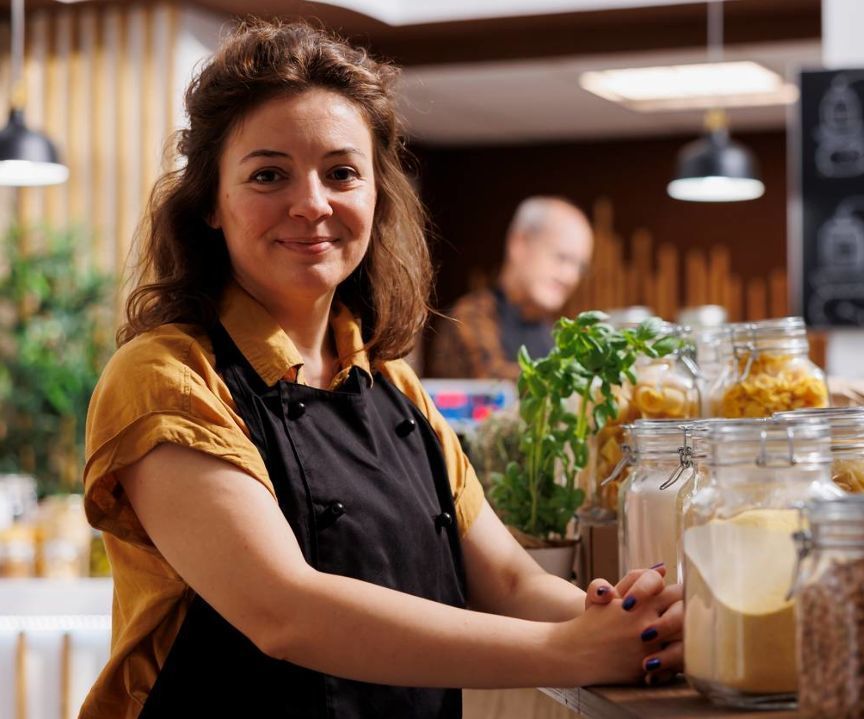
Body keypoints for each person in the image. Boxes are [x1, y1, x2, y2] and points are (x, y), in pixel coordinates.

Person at [80, 21, 680, 719]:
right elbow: (287, 611)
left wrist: (633, 627)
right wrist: (571, 652)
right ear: (211, 202)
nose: (312, 204)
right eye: (268, 174)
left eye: (341, 172)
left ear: (375, 196)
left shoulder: (392, 383)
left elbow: (510, 579)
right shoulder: (165, 376)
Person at [426, 196, 593, 379]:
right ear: (519, 243)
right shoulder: (469, 316)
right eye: (561, 257)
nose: (570, 277)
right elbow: (492, 383)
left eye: (580, 267)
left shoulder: (552, 333)